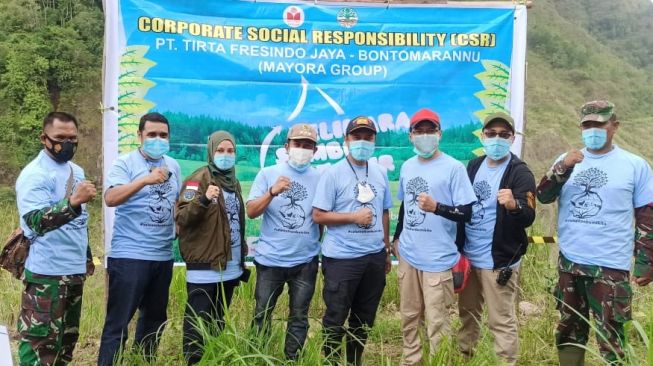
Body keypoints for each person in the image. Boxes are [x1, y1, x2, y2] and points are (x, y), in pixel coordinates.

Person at [537, 100, 653, 365]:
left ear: (614, 125)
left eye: (599, 124)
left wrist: (646, 263)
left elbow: (647, 218)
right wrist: (562, 167)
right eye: (587, 125)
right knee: (568, 328)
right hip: (570, 262)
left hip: (610, 266)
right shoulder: (565, 161)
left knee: (611, 334)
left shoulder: (634, 165)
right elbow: (542, 195)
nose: (592, 130)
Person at [391, 108, 477, 365]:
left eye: (430, 131)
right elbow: (406, 206)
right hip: (408, 256)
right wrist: (396, 238)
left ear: (439, 134)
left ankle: (440, 362)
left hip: (438, 261)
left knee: (438, 323)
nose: (425, 136)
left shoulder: (453, 168)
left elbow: (466, 213)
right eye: (419, 131)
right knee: (408, 317)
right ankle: (412, 361)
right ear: (410, 136)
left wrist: (437, 207)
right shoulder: (407, 166)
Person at [98, 112, 181, 366]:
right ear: (140, 136)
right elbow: (110, 198)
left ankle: (144, 362)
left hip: (162, 256)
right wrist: (145, 179)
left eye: (163, 135)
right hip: (129, 256)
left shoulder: (173, 165)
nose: (158, 139)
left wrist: (178, 223)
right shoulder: (125, 163)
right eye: (152, 135)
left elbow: (175, 201)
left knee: (154, 321)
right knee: (118, 323)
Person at [15, 111, 97, 365]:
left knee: (65, 346)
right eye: (61, 137)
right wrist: (73, 201)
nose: (68, 143)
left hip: (72, 272)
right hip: (46, 276)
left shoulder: (77, 170)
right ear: (44, 138)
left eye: (73, 137)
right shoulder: (35, 174)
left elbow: (80, 222)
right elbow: (35, 222)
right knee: (40, 347)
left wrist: (86, 258)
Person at [456, 112, 536, 366]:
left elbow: (529, 215)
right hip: (469, 258)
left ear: (512, 138)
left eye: (503, 134)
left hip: (499, 261)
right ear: (483, 136)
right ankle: (464, 358)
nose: (497, 139)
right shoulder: (473, 166)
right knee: (467, 315)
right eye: (491, 134)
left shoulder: (520, 172)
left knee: (501, 320)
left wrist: (514, 206)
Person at [312, 116, 393, 366]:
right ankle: (331, 362)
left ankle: (354, 360)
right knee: (336, 316)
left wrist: (386, 249)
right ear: (347, 140)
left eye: (367, 137)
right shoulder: (332, 174)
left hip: (374, 257)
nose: (362, 142)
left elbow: (385, 211)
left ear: (374, 140)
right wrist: (353, 217)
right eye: (356, 137)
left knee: (364, 317)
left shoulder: (379, 173)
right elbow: (318, 215)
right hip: (342, 259)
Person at [246, 124, 322, 360]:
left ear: (315, 150)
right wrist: (272, 192)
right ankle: (258, 357)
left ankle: (293, 359)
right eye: (297, 144)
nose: (302, 149)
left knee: (299, 316)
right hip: (270, 261)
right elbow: (251, 211)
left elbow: (322, 216)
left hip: (305, 262)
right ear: (287, 147)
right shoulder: (268, 174)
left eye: (307, 145)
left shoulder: (321, 177)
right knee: (262, 314)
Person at [175, 131, 247, 364]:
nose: (226, 155)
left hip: (229, 263)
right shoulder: (197, 179)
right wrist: (203, 199)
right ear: (211, 151)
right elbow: (182, 217)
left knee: (217, 320)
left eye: (230, 151)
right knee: (198, 321)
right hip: (204, 266)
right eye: (220, 150)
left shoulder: (233, 181)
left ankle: (214, 359)